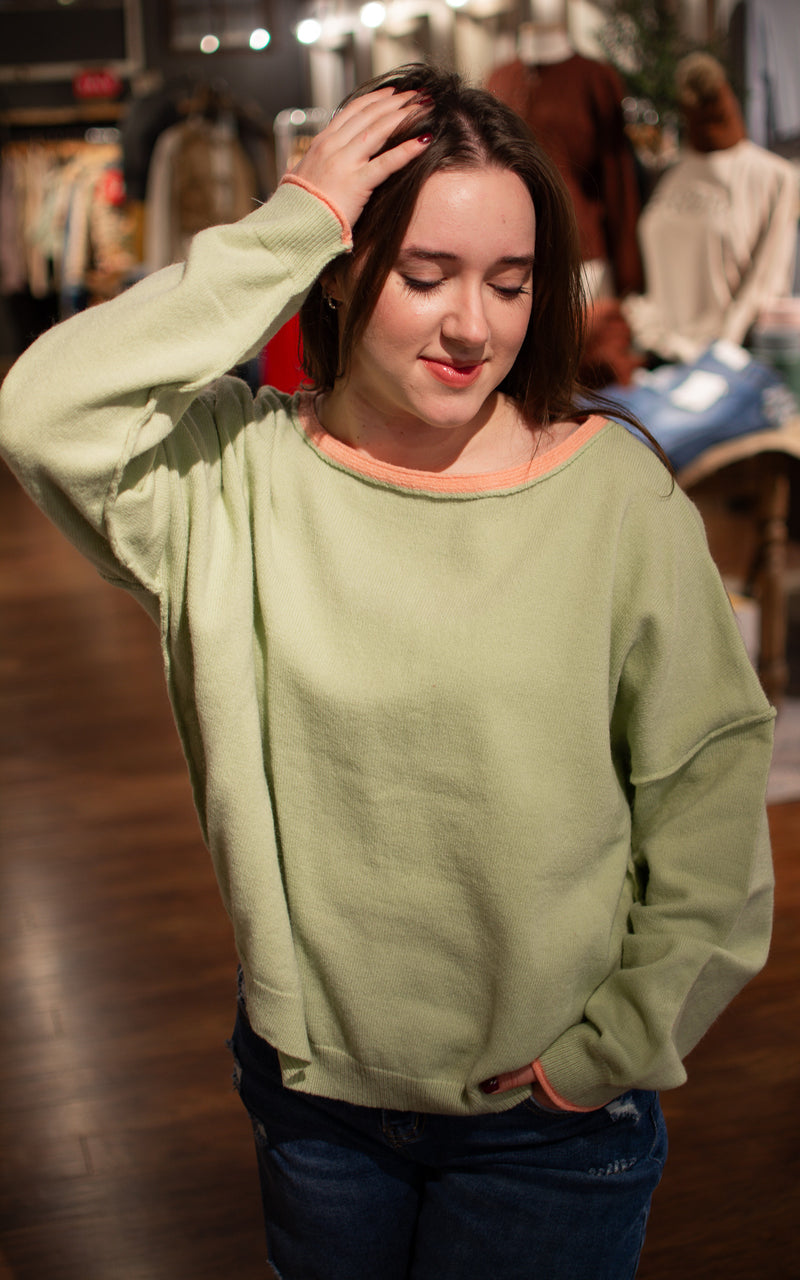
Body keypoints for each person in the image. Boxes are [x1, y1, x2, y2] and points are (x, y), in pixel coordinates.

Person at [0, 64, 775, 1280]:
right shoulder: (234, 481)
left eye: (510, 281)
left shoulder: (613, 498)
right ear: (342, 268)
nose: (473, 326)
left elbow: (709, 797)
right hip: (316, 1103)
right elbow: (44, 411)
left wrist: (609, 1047)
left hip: (547, 1121)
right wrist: (289, 223)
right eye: (424, 275)